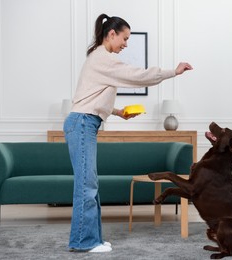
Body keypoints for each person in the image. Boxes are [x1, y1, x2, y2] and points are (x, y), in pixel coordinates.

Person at [63, 13, 192, 253]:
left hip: (83, 123)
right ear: (111, 34)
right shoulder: (103, 58)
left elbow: (89, 96)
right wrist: (172, 72)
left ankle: (92, 239)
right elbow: (137, 76)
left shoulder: (99, 58)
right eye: (124, 38)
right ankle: (84, 242)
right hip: (82, 123)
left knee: (89, 183)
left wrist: (119, 111)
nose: (125, 44)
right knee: (86, 185)